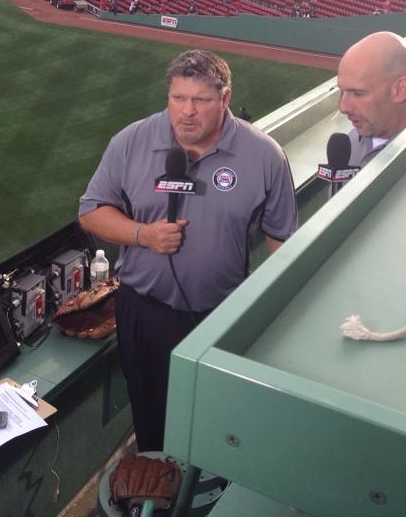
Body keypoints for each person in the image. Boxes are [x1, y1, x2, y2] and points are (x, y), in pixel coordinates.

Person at [78, 50, 297, 452]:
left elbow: (281, 238)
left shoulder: (264, 155)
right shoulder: (131, 141)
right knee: (150, 417)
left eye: (201, 100)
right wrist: (143, 234)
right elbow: (91, 211)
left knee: (217, 422)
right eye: (178, 98)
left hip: (221, 313)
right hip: (144, 309)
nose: (187, 112)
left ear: (225, 98)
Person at [335, 31, 406, 169]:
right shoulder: (350, 144)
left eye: (357, 93)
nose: (343, 107)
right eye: (342, 91)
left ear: (400, 89)